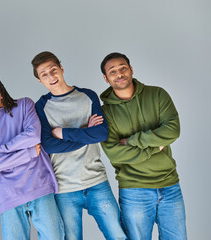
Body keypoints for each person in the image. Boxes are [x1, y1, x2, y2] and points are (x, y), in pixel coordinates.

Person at [32, 51, 126, 240]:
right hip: (64, 188)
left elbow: (100, 133)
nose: (51, 76)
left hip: (96, 181)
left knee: (118, 236)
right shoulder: (41, 106)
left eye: (53, 70)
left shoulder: (88, 96)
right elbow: (49, 146)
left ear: (61, 69)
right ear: (40, 81)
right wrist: (85, 132)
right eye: (44, 74)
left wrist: (63, 133)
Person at [0, 70, 64, 240]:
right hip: (9, 195)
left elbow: (33, 135)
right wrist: (28, 152)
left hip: (40, 186)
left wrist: (1, 150)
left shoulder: (24, 105)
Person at [100, 52, 187, 240]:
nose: (119, 73)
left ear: (131, 69)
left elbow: (172, 130)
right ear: (106, 79)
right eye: (112, 71)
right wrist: (155, 147)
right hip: (134, 190)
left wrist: (132, 141)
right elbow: (115, 154)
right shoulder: (105, 113)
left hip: (170, 185)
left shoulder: (157, 95)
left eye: (123, 68)